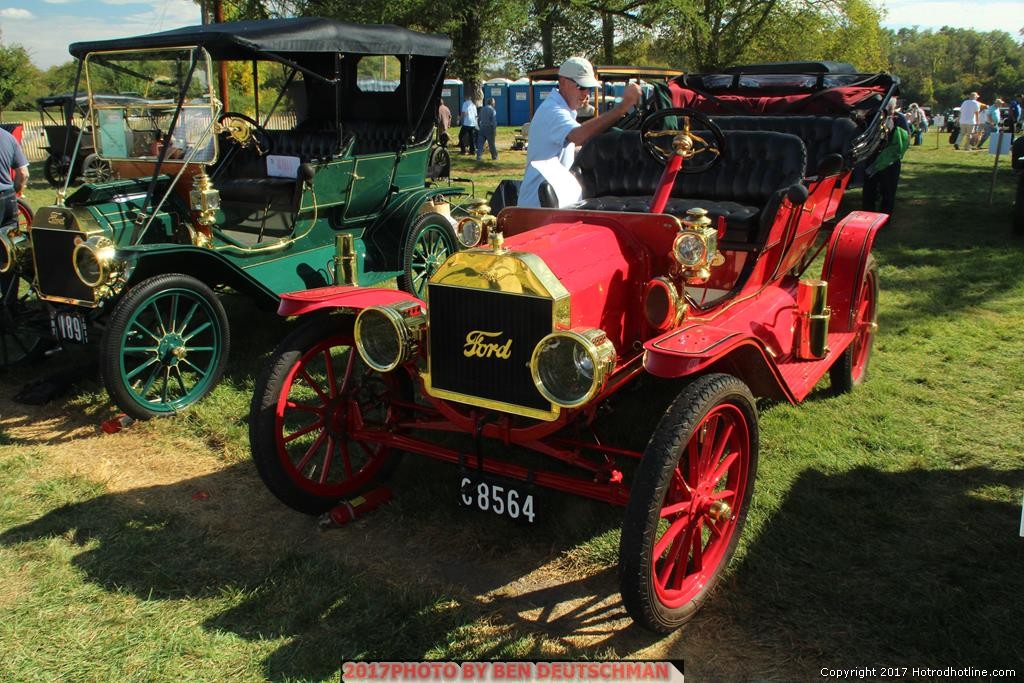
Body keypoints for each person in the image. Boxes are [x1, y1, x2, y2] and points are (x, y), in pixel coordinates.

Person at [518, 57, 642, 208]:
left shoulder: (564, 110)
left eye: (589, 88)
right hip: (538, 205)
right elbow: (579, 136)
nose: (586, 93)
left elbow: (572, 147)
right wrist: (622, 107)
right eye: (581, 87)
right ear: (563, 82)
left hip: (554, 201)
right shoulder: (553, 111)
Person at [862, 100, 909, 216]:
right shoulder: (872, 116)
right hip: (874, 157)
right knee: (870, 189)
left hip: (890, 160)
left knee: (888, 190)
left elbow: (905, 139)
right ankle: (868, 215)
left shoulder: (899, 118)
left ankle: (884, 216)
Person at [0, 126, 29, 226]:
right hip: (8, 197)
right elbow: (23, 173)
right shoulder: (9, 137)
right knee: (11, 238)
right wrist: (13, 192)